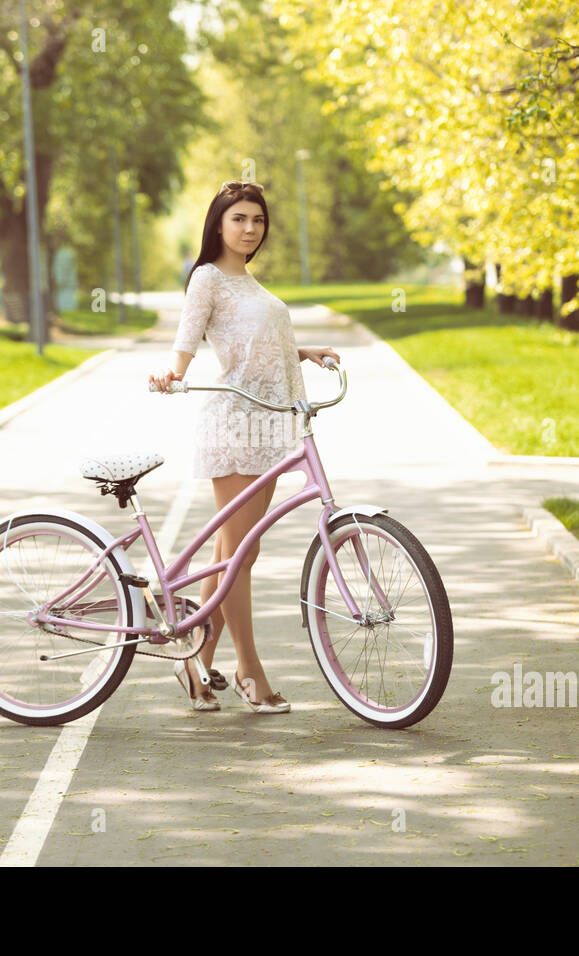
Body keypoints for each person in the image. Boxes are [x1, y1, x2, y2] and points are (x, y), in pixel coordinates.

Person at [148, 180, 340, 714]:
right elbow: (190, 334)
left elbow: (253, 343)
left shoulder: (250, 283)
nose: (250, 228)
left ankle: (196, 662)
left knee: (238, 553)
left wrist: (302, 351)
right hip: (235, 425)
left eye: (257, 220)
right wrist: (174, 372)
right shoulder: (208, 278)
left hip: (271, 425)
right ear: (218, 224)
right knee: (238, 553)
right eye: (239, 219)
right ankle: (248, 670)